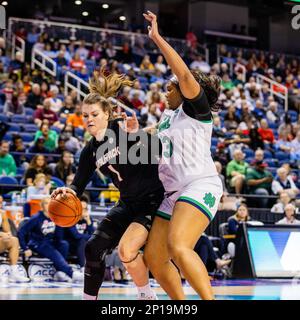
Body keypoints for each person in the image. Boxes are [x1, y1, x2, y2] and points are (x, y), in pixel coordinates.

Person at [51, 70, 164, 300]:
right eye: (85, 115)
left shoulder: (122, 128)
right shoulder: (89, 150)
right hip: (128, 203)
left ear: (107, 114)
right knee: (93, 247)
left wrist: (138, 135)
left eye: (94, 114)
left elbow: (157, 152)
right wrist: (67, 192)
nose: (89, 119)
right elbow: (78, 185)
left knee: (126, 251)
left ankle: (146, 295)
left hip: (151, 202)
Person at [142, 11, 222, 300]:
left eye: (171, 86)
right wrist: (130, 133)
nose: (166, 89)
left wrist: (157, 38)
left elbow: (184, 74)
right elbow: (151, 136)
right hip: (174, 191)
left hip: (199, 185)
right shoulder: (168, 116)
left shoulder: (197, 110)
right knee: (153, 256)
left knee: (179, 245)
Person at [18, 197, 83, 282]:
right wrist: (25, 248)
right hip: (37, 243)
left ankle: (59, 272)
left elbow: (58, 237)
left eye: (50, 203)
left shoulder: (55, 217)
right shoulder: (36, 218)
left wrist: (59, 222)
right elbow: (21, 232)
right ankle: (72, 273)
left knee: (64, 244)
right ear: (42, 206)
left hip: (49, 242)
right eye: (46, 203)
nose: (49, 205)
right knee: (50, 249)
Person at [0, 196, 30, 283]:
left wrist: (7, 235)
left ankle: (14, 273)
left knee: (14, 240)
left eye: (1, 202)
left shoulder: (2, 214)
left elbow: (8, 232)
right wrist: (2, 234)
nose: (0, 204)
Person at [63, 194, 94, 271]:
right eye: (82, 208)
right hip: (70, 245)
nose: (84, 211)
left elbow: (93, 235)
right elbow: (76, 236)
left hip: (82, 245)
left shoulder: (88, 219)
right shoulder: (70, 218)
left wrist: (89, 222)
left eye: (85, 208)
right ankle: (83, 267)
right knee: (82, 241)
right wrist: (89, 236)